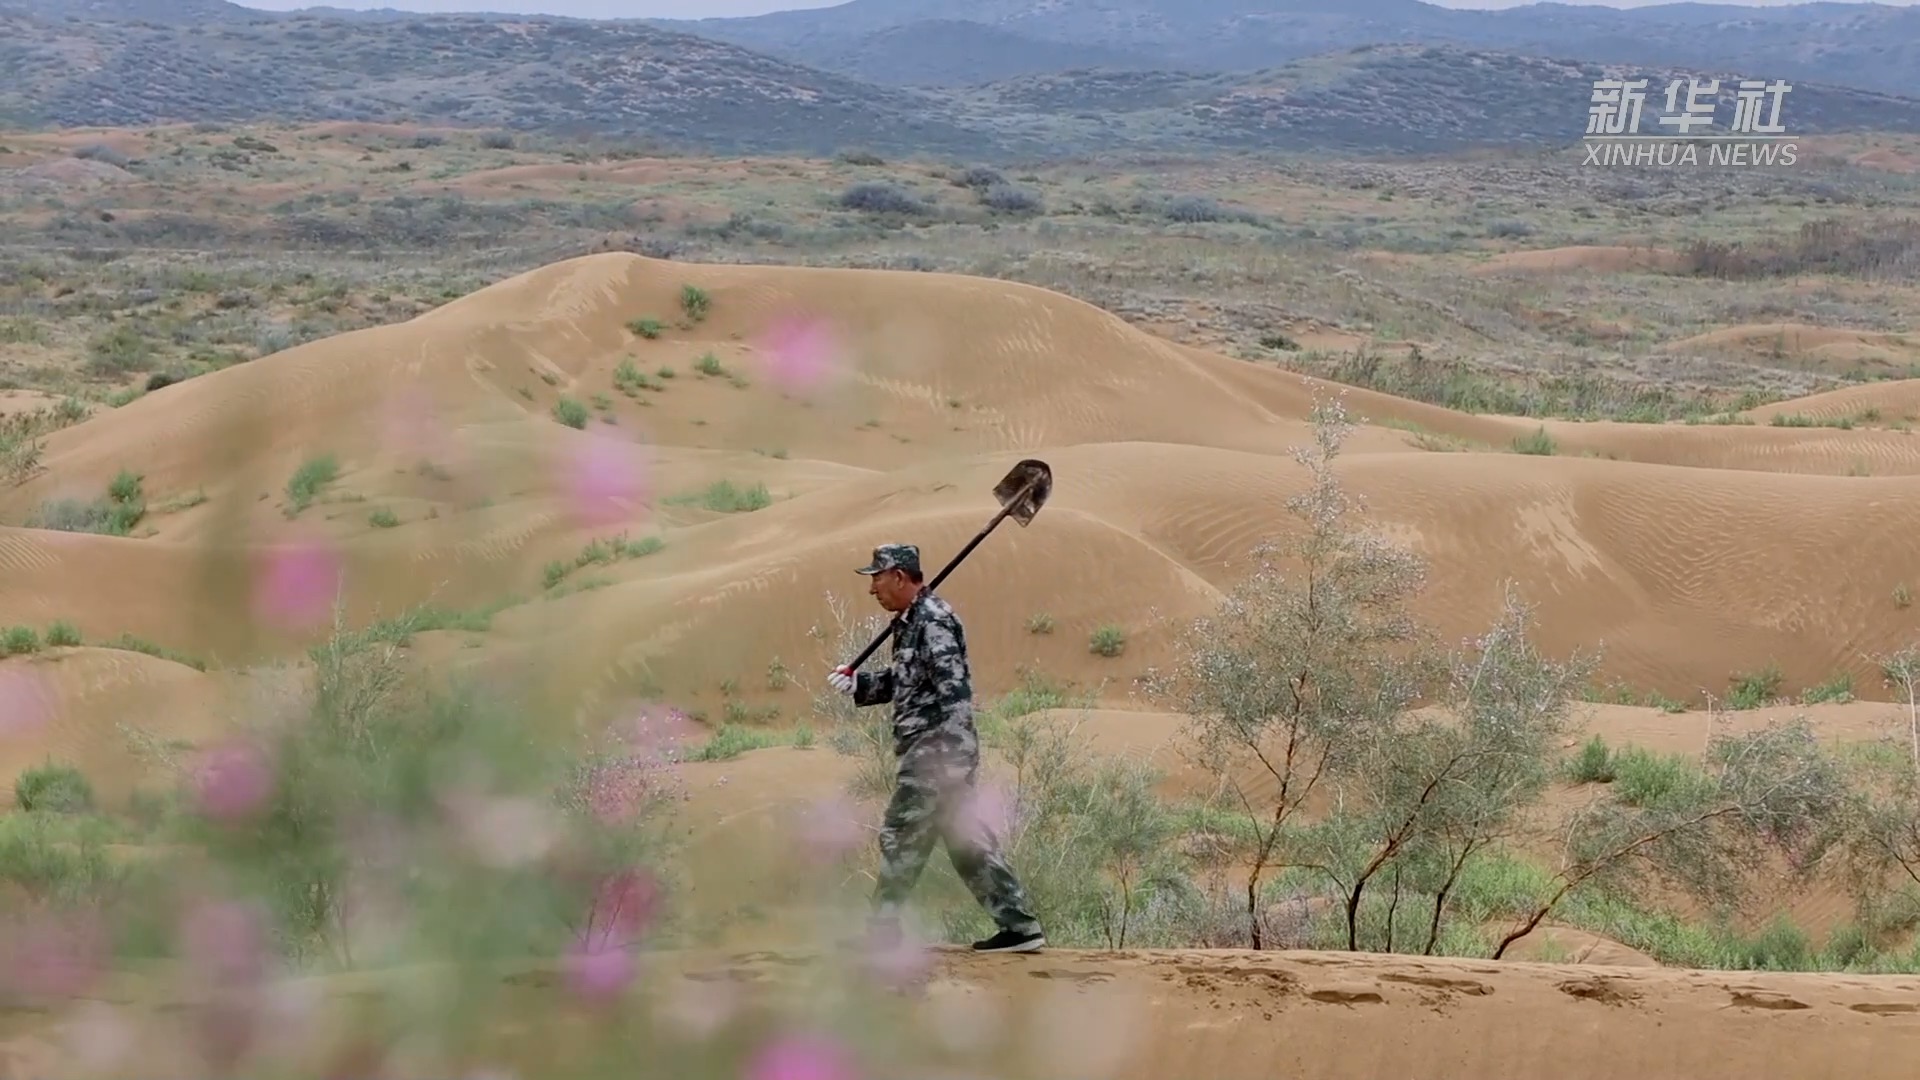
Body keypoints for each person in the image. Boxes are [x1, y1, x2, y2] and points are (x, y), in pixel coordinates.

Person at [827, 543, 1047, 954]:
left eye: (876, 578)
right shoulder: (909, 623)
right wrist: (861, 684)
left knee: (899, 832)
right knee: (967, 842)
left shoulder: (933, 621)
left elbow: (954, 692)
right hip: (932, 749)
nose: (872, 588)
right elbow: (907, 680)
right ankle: (1019, 928)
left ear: (898, 576)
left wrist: (956, 758)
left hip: (936, 752)